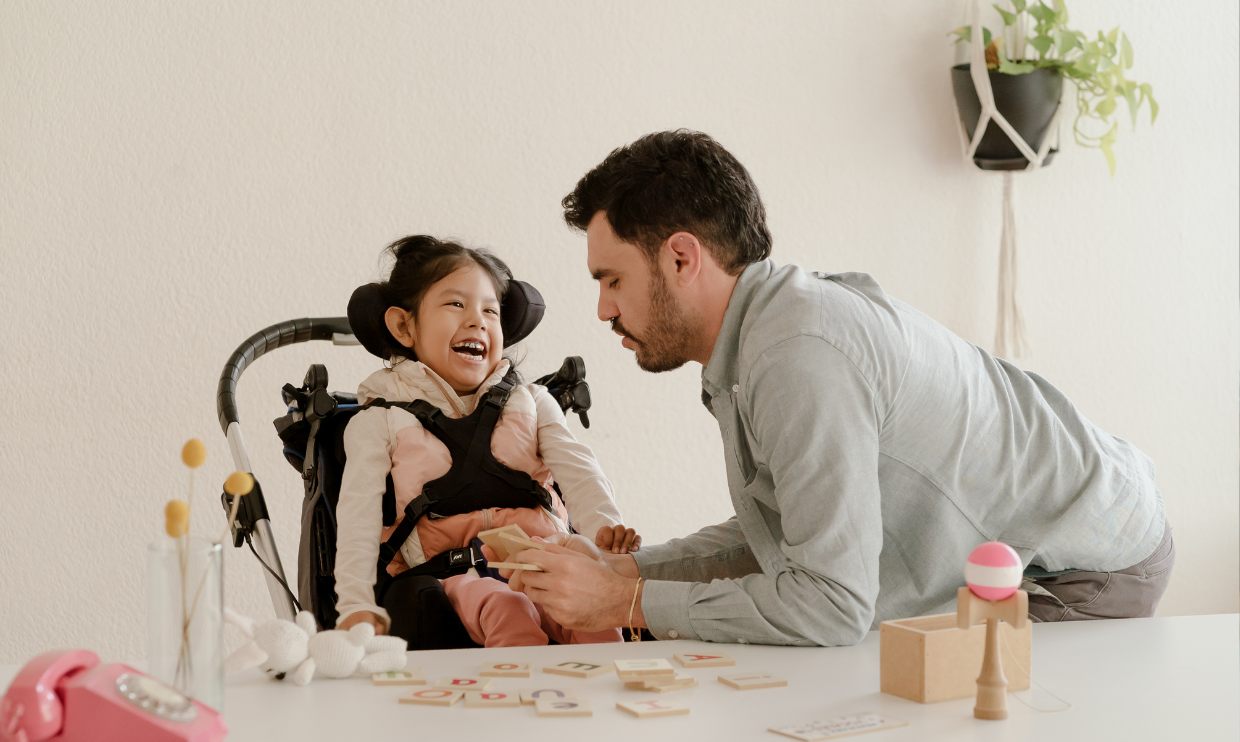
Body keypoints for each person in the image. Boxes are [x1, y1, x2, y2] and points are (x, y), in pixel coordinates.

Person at [499, 130, 1174, 647]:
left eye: (610, 279)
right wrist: (630, 574)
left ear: (682, 257)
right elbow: (790, 537)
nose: (603, 311)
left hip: (1086, 565)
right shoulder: (767, 335)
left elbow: (829, 604)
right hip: (1071, 538)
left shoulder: (797, 353)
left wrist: (626, 603)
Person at [333, 234, 640, 647]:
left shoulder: (531, 401)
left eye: (490, 310)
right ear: (404, 326)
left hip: (547, 559)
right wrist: (354, 605)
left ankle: (609, 694)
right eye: (456, 304)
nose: (477, 320)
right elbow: (358, 519)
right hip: (454, 574)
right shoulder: (380, 421)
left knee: (598, 616)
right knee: (505, 608)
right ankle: (517, 700)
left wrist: (605, 532)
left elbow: (581, 472)